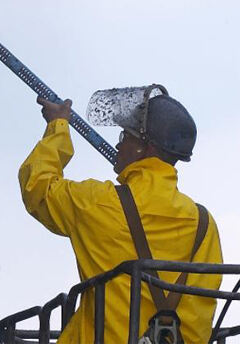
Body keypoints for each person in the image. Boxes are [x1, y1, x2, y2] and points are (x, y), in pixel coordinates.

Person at [18, 92, 223, 343]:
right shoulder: (203, 224)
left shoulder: (99, 202)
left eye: (125, 136)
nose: (118, 145)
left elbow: (38, 187)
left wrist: (58, 126)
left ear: (144, 148)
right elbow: (200, 309)